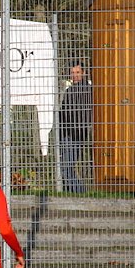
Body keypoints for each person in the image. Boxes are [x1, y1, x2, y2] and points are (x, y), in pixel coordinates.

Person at [58, 60, 93, 193]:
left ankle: (80, 193)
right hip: (67, 133)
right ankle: (74, 193)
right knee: (65, 167)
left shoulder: (87, 91)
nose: (75, 75)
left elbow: (78, 114)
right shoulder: (70, 90)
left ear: (84, 73)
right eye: (72, 73)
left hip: (74, 134)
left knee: (66, 168)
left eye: (77, 72)